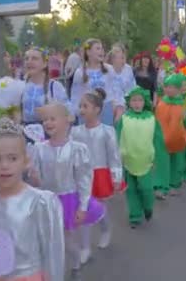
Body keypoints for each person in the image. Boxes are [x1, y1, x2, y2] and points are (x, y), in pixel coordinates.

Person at [0, 119, 64, 281]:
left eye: (13, 158)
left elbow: (53, 255)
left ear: (26, 161)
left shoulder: (41, 202)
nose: (4, 166)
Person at [28, 102, 104, 278]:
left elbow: (84, 179)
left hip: (68, 199)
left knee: (67, 238)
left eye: (52, 118)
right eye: (45, 120)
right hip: (46, 200)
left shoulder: (77, 149)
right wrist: (33, 176)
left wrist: (83, 206)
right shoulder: (38, 149)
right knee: (46, 239)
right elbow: (36, 181)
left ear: (67, 121)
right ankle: (50, 271)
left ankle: (76, 260)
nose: (48, 123)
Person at [71, 89, 123, 264]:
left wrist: (116, 177)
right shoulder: (75, 132)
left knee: (98, 208)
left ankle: (106, 228)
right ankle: (85, 247)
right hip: (81, 175)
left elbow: (114, 156)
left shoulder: (107, 131)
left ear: (97, 109)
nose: (82, 109)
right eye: (80, 106)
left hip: (100, 174)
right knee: (83, 210)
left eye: (85, 106)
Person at [116, 87, 168, 228]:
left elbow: (158, 140)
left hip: (146, 161)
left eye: (140, 100)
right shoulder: (124, 119)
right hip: (128, 160)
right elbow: (117, 137)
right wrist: (118, 158)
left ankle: (148, 206)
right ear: (129, 102)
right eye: (134, 100)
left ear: (145, 102)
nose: (137, 103)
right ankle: (134, 216)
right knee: (131, 190)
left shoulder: (151, 119)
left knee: (146, 188)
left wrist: (157, 159)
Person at [71, 39, 125, 126]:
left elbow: (117, 90)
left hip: (106, 110)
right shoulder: (80, 72)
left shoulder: (109, 69)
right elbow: (75, 96)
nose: (102, 51)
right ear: (88, 52)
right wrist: (75, 113)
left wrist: (119, 108)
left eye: (102, 48)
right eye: (98, 48)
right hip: (87, 112)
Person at [154, 74, 186, 198]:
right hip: (162, 139)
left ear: (179, 89)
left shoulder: (182, 104)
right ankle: (161, 187)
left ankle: (173, 185)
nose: (169, 89)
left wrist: (185, 136)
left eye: (172, 87)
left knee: (176, 162)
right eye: (167, 87)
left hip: (177, 138)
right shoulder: (161, 103)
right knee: (162, 163)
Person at [20, 48, 70, 130]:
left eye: (34, 58)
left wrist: (49, 112)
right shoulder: (21, 86)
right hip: (25, 132)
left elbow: (69, 114)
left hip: (48, 133)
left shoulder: (55, 86)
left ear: (45, 63)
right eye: (26, 59)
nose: (29, 61)